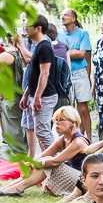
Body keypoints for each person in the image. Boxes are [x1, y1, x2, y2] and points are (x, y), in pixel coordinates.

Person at [0, 106, 90, 197]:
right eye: (56, 120)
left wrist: (38, 163)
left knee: (48, 162)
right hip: (72, 176)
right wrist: (30, 163)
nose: (57, 123)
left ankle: (18, 188)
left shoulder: (78, 142)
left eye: (61, 120)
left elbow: (55, 162)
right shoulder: (64, 138)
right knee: (44, 160)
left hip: (82, 182)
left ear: (73, 122)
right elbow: (44, 154)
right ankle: (10, 187)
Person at [18, 14, 56, 154]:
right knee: (39, 132)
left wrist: (38, 96)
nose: (25, 28)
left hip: (45, 96)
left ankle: (56, 166)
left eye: (28, 26)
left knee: (43, 133)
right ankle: (47, 164)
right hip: (35, 94)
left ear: (38, 28)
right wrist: (27, 94)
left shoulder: (45, 46)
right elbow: (34, 75)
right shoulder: (38, 46)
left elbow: (44, 73)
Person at [60, 10, 94, 135]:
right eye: (62, 15)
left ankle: (89, 138)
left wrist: (67, 53)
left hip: (80, 73)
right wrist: (72, 52)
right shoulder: (59, 34)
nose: (63, 17)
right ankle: (73, 137)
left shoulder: (82, 33)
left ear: (74, 18)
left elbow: (82, 54)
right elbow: (58, 54)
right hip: (64, 74)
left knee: (83, 108)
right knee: (69, 109)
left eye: (66, 15)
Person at [0, 35, 27, 158]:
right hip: (18, 96)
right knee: (18, 131)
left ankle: (20, 166)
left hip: (10, 98)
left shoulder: (7, 55)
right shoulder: (21, 54)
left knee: (14, 132)